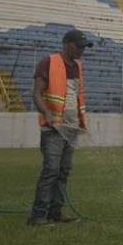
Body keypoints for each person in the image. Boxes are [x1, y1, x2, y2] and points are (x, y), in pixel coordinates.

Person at [28, 29, 92, 226]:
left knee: (63, 171)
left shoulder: (78, 67)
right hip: (53, 129)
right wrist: (47, 114)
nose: (82, 50)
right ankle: (38, 215)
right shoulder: (48, 62)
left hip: (71, 129)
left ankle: (55, 212)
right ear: (67, 44)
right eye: (79, 46)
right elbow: (37, 93)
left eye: (84, 47)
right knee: (51, 170)